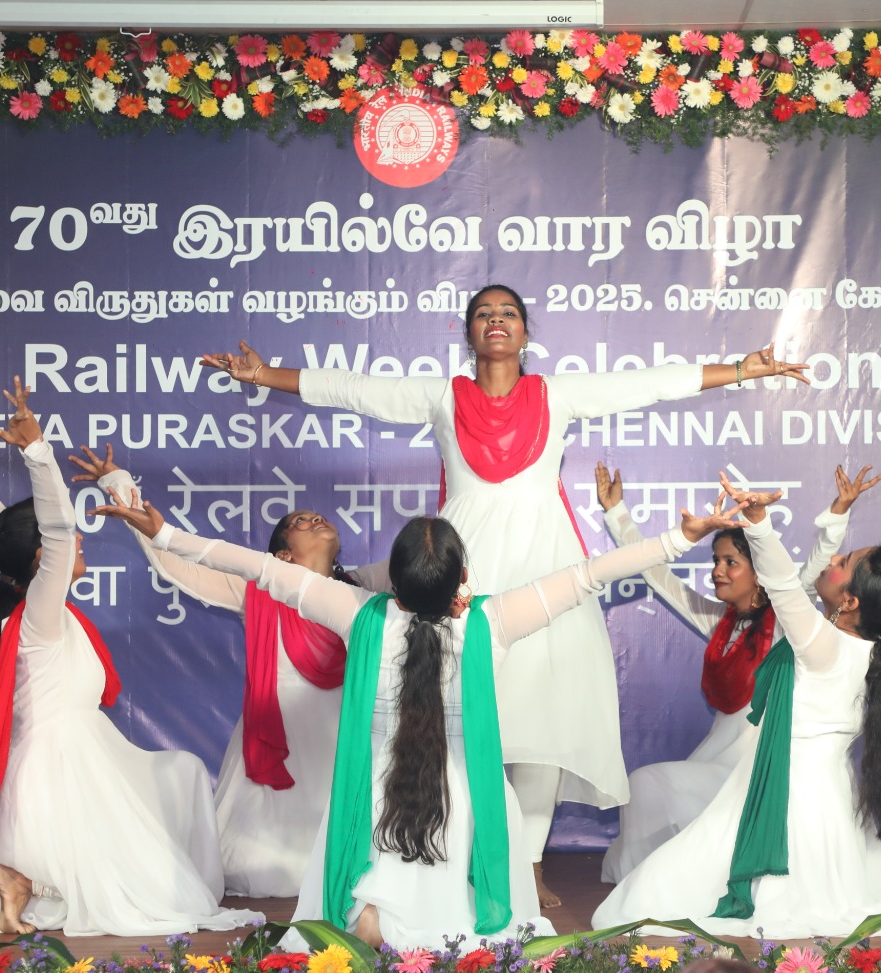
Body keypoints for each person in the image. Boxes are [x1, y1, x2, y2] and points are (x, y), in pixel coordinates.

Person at [200, 284, 811, 904]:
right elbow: (356, 390)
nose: (496, 321)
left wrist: (740, 370)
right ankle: (464, 850)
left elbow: (647, 383)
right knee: (456, 715)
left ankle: (531, 862)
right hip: (466, 574)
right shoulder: (444, 397)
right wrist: (264, 376)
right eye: (484, 314)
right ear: (469, 333)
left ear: (524, 331)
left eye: (509, 313)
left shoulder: (556, 395)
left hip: (545, 568)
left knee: (545, 719)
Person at [91, 485, 745, 948]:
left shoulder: (356, 610)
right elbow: (588, 575)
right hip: (467, 803)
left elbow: (256, 567)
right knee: (492, 888)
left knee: (363, 871)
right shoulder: (492, 620)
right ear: (462, 577)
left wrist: (164, 534)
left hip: (372, 804)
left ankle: (371, 914)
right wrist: (679, 536)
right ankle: (433, 920)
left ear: (394, 583)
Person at [0, 381, 261, 937]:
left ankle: (21, 879)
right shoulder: (41, 613)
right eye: (67, 542)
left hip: (59, 758)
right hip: (66, 765)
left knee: (181, 773)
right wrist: (38, 452)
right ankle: (24, 879)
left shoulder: (26, 599)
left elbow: (8, 537)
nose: (78, 542)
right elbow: (54, 529)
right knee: (151, 892)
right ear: (44, 558)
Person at [592, 472, 881, 939]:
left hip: (786, 789)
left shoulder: (821, 645)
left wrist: (758, 522)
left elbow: (781, 582)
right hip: (822, 793)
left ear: (850, 601)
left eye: (842, 563)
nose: (833, 558)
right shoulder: (865, 640)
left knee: (648, 896)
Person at [67, 444, 354, 898]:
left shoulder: (363, 590)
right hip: (278, 737)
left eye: (317, 516)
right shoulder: (258, 590)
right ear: (282, 555)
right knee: (262, 872)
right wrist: (119, 485)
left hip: (341, 736)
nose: (314, 519)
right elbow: (177, 563)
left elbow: (422, 574)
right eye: (300, 521)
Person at [596, 462, 881, 884]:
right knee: (645, 786)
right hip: (715, 766)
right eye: (716, 560)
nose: (718, 570)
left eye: (730, 561)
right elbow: (659, 578)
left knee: (647, 784)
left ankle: (662, 883)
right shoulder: (721, 622)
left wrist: (838, 511)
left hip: (760, 770)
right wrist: (617, 512)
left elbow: (814, 566)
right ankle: (646, 882)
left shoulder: (788, 622)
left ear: (759, 570)